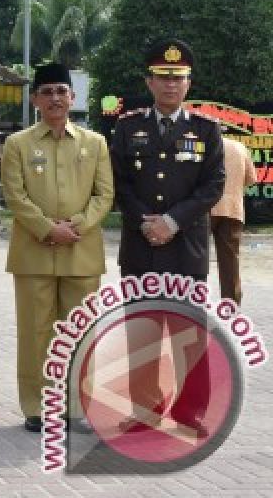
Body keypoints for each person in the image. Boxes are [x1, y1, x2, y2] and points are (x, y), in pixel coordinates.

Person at [111, 39, 225, 436]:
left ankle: (190, 412)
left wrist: (172, 222)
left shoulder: (207, 130)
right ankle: (144, 410)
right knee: (141, 331)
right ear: (149, 82)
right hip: (140, 247)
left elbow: (213, 186)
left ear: (189, 85)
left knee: (189, 334)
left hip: (186, 250)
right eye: (163, 78)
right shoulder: (128, 128)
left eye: (178, 79)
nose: (170, 85)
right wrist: (147, 221)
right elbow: (119, 183)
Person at [0, 62, 113, 433]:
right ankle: (37, 406)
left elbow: (104, 195)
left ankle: (78, 408)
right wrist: (48, 229)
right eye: (46, 92)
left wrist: (76, 226)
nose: (55, 98)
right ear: (35, 99)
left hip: (81, 252)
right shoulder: (17, 144)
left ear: (73, 97)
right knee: (35, 333)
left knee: (81, 331)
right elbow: (15, 196)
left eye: (61, 91)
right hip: (34, 252)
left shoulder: (95, 143)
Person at [210, 137, 257, 305]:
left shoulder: (205, 143)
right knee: (230, 261)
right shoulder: (240, 147)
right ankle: (231, 306)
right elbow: (251, 179)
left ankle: (192, 301)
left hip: (204, 208)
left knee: (195, 257)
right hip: (233, 209)